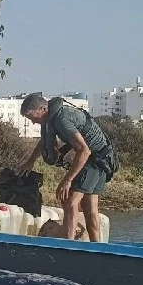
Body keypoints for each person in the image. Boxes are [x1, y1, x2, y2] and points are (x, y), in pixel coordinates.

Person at [16, 93, 119, 241]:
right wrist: (31, 160)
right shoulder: (52, 117)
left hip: (96, 160)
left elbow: (84, 151)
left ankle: (69, 245)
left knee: (69, 200)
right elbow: (44, 142)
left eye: (33, 118)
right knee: (89, 208)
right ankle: (98, 248)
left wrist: (67, 180)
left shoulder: (61, 119)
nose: (33, 123)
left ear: (43, 108)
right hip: (101, 159)